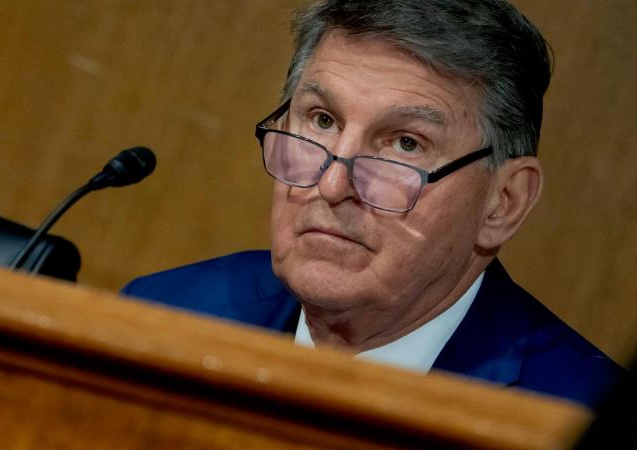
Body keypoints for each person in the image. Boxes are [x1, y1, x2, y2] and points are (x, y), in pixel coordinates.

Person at [122, 0, 622, 408]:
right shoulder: (164, 317)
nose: (333, 182)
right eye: (321, 120)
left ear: (502, 204)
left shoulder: (593, 440)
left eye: (406, 143)